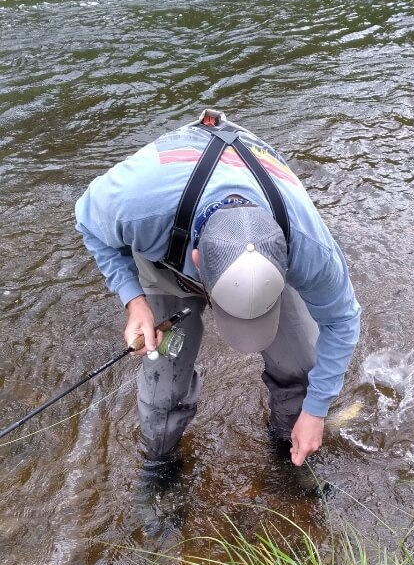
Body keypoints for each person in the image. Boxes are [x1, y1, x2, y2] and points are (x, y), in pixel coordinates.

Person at [75, 109, 361, 470]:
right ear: (196, 261)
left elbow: (343, 321)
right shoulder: (136, 207)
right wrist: (134, 299)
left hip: (249, 208)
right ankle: (159, 467)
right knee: (164, 392)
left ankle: (289, 449)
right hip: (169, 241)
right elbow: (87, 222)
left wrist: (316, 410)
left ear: (285, 261)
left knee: (302, 367)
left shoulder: (307, 244)